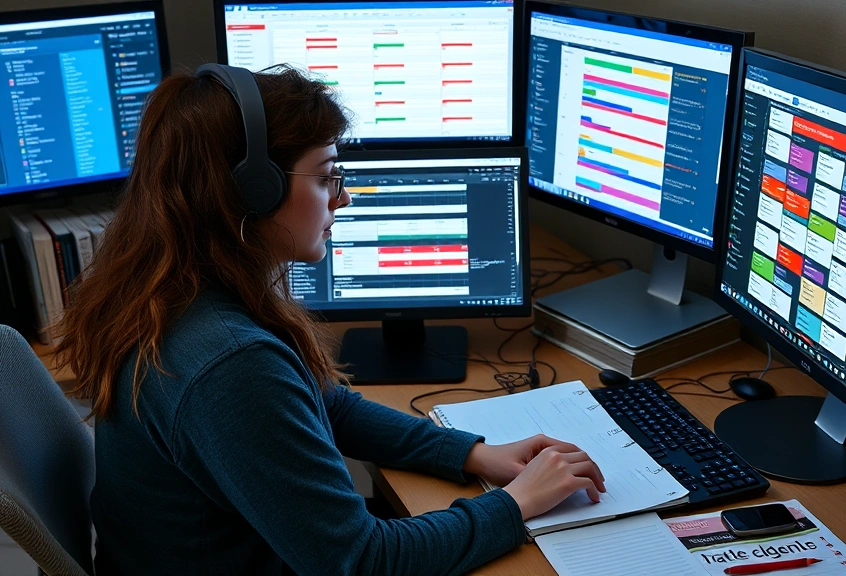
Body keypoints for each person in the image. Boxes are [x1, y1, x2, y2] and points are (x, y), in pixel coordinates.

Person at [52, 65, 605, 575]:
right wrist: (516, 504)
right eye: (325, 177)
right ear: (252, 192)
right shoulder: (227, 362)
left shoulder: (175, 288)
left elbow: (320, 400)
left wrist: (471, 453)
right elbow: (358, 562)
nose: (340, 199)